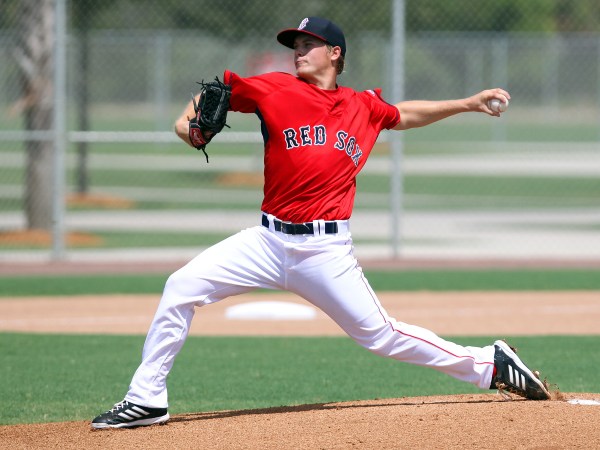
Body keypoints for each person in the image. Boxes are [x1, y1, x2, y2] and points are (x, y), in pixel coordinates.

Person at [91, 16, 549, 429]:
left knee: (382, 336)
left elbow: (404, 114)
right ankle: (147, 398)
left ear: (335, 53)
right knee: (181, 287)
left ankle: (490, 364)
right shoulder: (275, 89)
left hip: (324, 253)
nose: (298, 50)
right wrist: (187, 126)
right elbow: (212, 98)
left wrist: (468, 103)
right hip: (266, 242)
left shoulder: (361, 106)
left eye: (309, 43)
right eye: (295, 43)